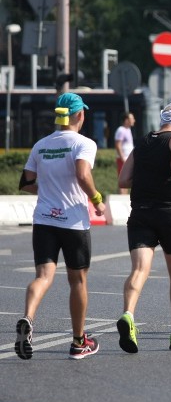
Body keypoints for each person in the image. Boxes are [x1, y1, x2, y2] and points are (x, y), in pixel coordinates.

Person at [15, 92, 105, 360]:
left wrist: (48, 190)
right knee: (77, 280)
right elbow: (82, 173)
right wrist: (97, 199)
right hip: (73, 222)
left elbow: (25, 182)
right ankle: (79, 342)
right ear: (80, 115)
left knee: (43, 276)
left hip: (44, 220)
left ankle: (28, 319)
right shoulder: (84, 143)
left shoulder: (40, 145)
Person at [115, 101, 171, 352]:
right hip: (169, 213)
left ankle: (128, 314)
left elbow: (124, 179)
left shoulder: (142, 143)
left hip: (140, 213)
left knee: (139, 269)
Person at [115, 112, 135, 195]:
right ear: (126, 120)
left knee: (128, 179)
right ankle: (122, 197)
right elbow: (118, 144)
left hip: (128, 159)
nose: (134, 120)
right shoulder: (121, 130)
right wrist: (122, 157)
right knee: (123, 178)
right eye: (132, 119)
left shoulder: (128, 130)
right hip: (123, 159)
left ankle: (125, 197)